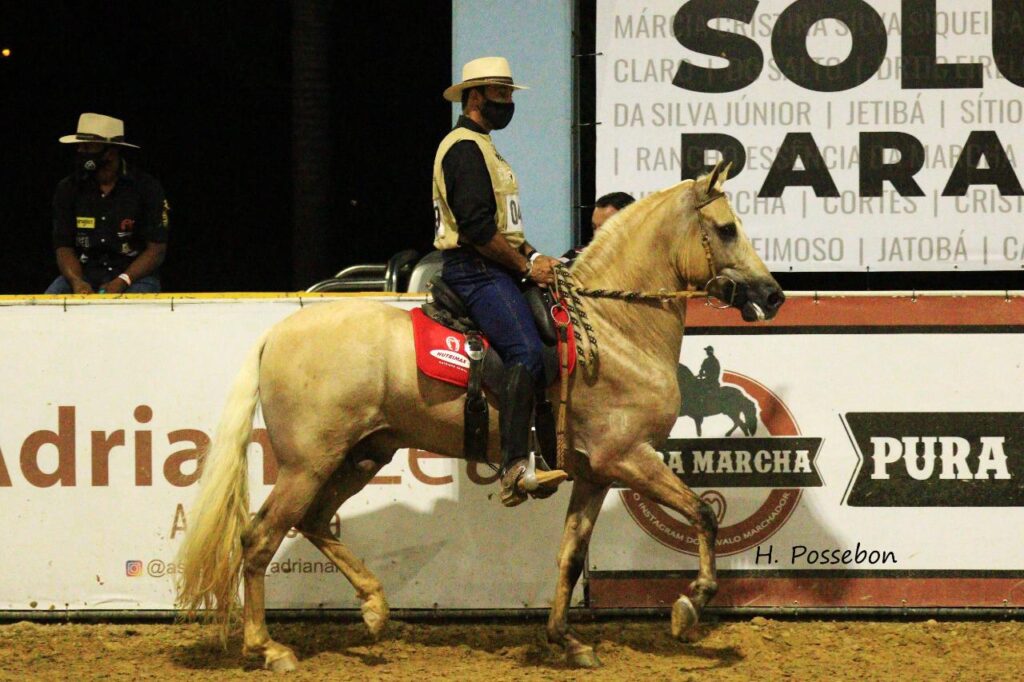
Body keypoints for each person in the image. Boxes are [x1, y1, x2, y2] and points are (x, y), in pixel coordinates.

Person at [432, 56, 564, 507]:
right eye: (500, 93)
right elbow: (477, 229)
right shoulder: (464, 148)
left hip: (496, 264)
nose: (508, 102)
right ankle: (513, 467)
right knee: (525, 351)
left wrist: (537, 257)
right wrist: (526, 268)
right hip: (476, 270)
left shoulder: (484, 147)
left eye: (509, 93)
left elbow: (505, 230)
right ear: (474, 97)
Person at [46, 113, 169, 294]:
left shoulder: (146, 187)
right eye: (80, 146)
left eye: (88, 147)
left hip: (134, 276)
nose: (80, 151)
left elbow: (157, 249)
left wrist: (123, 280)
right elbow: (63, 246)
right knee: (50, 301)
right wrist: (76, 281)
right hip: (84, 274)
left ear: (110, 151)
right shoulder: (69, 188)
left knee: (136, 306)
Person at [561, 191, 635, 262]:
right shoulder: (576, 254)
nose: (596, 234)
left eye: (604, 228)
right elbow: (559, 267)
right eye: (594, 227)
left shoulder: (639, 263)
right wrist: (557, 266)